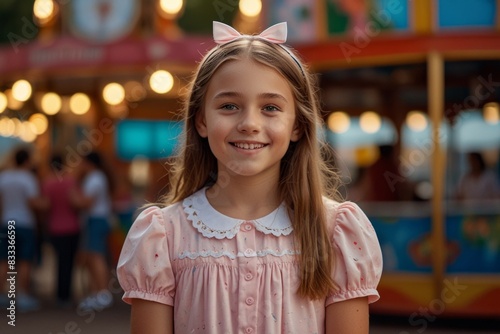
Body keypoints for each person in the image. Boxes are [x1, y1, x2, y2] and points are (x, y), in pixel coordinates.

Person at [117, 21, 383, 334]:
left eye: (270, 107)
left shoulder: (334, 230)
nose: (249, 123)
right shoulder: (163, 235)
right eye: (229, 106)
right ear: (201, 121)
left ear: (297, 125)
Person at [0, 147, 46, 312]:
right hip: (25, 223)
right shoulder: (28, 178)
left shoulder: (4, 177)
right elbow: (32, 202)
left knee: (5, 260)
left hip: (7, 222)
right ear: (27, 161)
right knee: (24, 260)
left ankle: (2, 293)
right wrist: (46, 205)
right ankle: (23, 295)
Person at [73, 151, 114, 311]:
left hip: (95, 220)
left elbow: (87, 203)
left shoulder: (95, 178)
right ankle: (97, 292)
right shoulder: (98, 177)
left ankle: (103, 293)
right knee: (92, 257)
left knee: (95, 256)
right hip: (97, 220)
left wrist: (73, 198)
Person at [42, 154, 81, 308]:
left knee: (59, 261)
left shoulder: (48, 183)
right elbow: (76, 202)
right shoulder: (70, 182)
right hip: (71, 227)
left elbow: (45, 205)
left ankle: (59, 294)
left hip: (54, 227)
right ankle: (66, 293)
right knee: (69, 262)